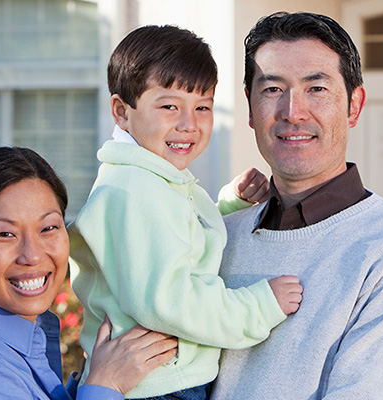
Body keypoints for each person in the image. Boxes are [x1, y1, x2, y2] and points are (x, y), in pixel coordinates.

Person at [210, 12, 383, 399]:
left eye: (316, 89)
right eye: (273, 89)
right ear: (250, 109)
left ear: (354, 106)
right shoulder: (219, 238)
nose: (293, 112)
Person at [68, 25, 304, 400]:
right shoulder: (135, 190)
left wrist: (229, 205)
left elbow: (172, 240)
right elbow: (169, 299)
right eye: (169, 106)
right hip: (156, 386)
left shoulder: (151, 179)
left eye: (203, 107)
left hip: (162, 380)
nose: (188, 124)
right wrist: (259, 307)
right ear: (121, 111)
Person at [0, 147, 179, 400]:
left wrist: (88, 379)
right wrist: (105, 386)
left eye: (48, 228)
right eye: (5, 234)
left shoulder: (13, 344)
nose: (31, 255)